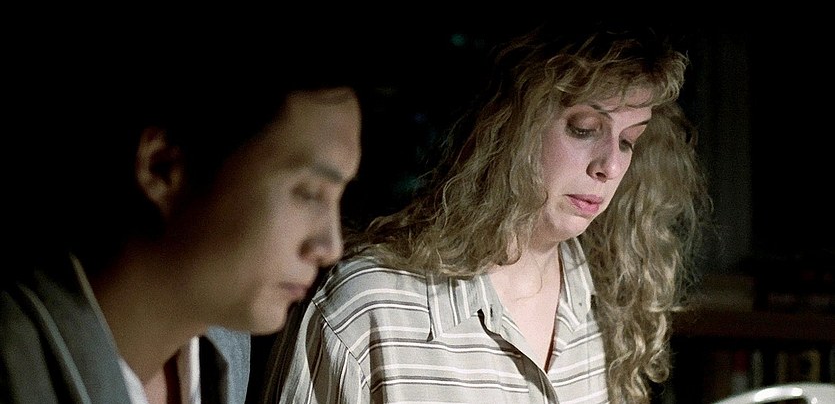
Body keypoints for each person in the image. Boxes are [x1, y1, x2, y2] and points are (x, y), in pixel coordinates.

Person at [260, 21, 713, 404]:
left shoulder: (608, 295)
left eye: (629, 141)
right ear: (510, 125)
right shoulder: (369, 308)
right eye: (584, 129)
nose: (610, 166)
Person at [1, 23, 365, 403]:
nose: (331, 248)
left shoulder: (222, 351)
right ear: (164, 168)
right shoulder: (19, 370)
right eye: (308, 193)